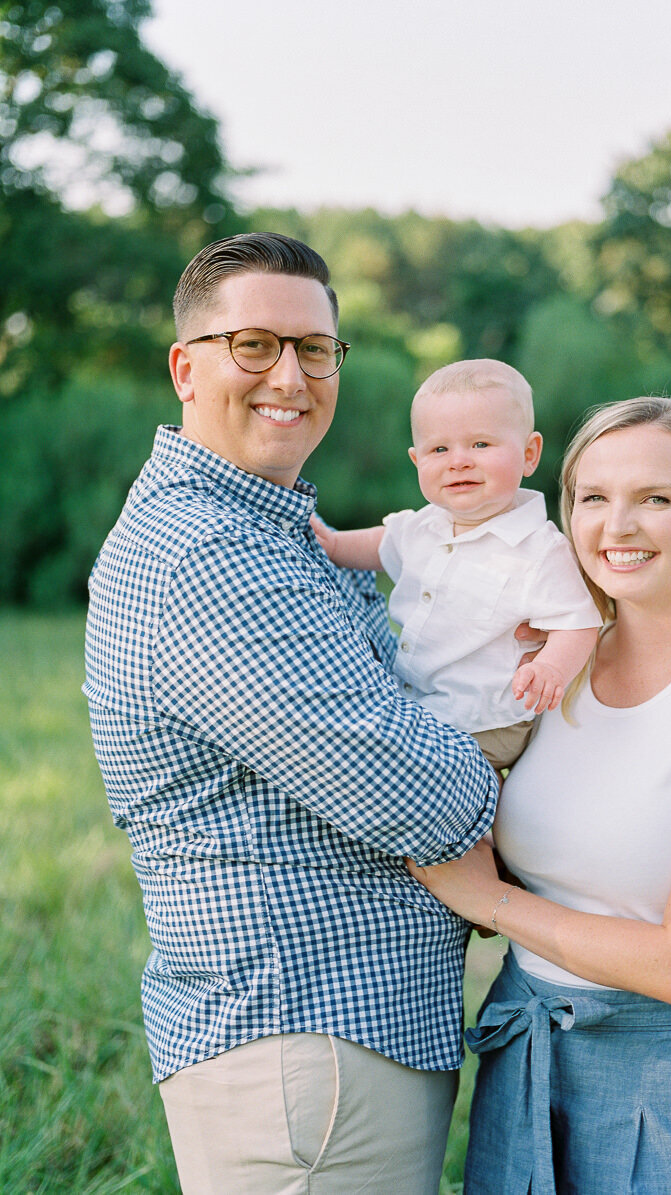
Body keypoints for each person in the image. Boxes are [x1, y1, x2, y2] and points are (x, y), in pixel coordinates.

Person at [83, 232, 498, 1195]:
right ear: (186, 368)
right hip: (304, 1046)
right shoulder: (212, 554)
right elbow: (415, 792)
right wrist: (513, 755)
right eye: (256, 344)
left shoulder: (270, 531)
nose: (293, 374)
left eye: (316, 348)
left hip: (332, 1035)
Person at [407, 396, 671, 1195]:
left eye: (656, 498)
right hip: (528, 1048)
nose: (617, 526)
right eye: (593, 498)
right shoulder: (551, 672)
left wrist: (490, 903)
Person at [314, 359, 600, 770]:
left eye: (481, 445)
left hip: (485, 722)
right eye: (439, 449)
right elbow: (382, 544)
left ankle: (476, 820)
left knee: (420, 785)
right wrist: (335, 544)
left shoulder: (539, 550)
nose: (459, 461)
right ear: (417, 461)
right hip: (419, 707)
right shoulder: (421, 527)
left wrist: (551, 666)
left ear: (529, 454)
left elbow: (577, 622)